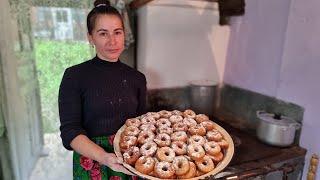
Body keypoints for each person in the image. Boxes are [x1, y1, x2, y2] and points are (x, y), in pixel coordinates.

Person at [58, 0, 146, 179]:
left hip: (128, 163)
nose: (112, 41)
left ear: (124, 34)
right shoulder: (74, 76)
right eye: (103, 33)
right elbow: (70, 131)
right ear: (91, 37)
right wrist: (104, 157)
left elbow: (141, 125)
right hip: (92, 163)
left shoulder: (137, 78)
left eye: (117, 32)